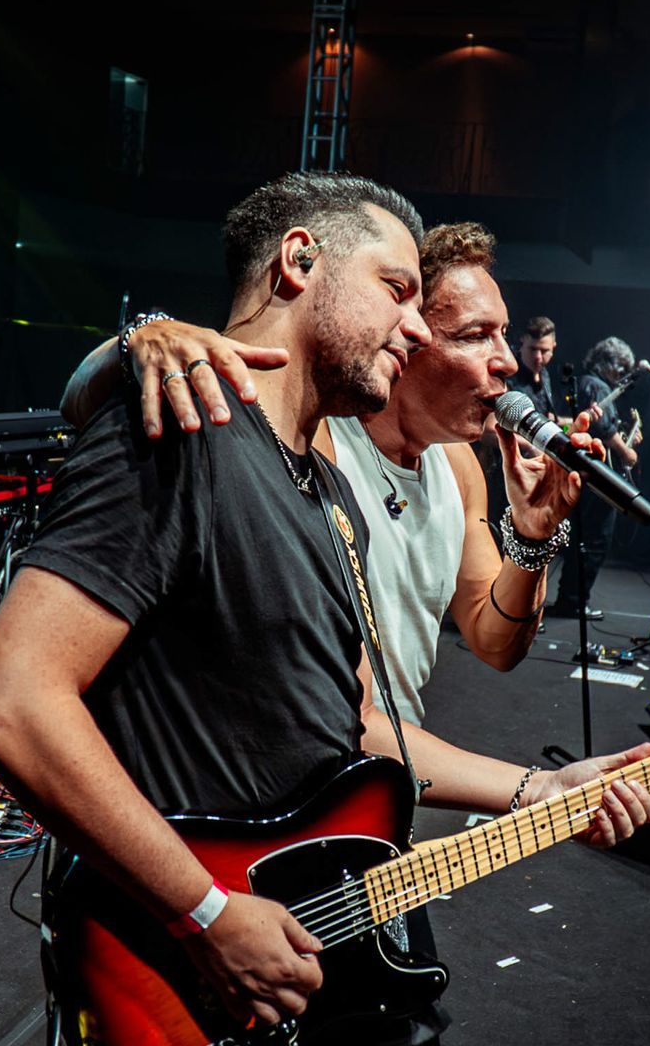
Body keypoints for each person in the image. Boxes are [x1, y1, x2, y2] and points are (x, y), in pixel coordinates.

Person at [0, 172, 650, 1046]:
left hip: (324, 943)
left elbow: (359, 727)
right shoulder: (188, 425)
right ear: (299, 262)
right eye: (398, 290)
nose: (414, 325)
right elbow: (9, 703)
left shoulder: (325, 491)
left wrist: (539, 789)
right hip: (202, 982)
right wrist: (206, 913)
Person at [61, 221, 604, 723]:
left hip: (392, 771)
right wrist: (140, 336)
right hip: (313, 757)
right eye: (475, 335)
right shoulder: (315, 437)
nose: (507, 360)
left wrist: (532, 536)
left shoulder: (458, 466)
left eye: (504, 333)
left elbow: (494, 641)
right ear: (409, 335)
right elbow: (78, 402)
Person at [552, 336, 640, 621]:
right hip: (595, 476)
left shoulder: (592, 384)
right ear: (607, 363)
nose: (622, 373)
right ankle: (574, 602)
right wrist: (626, 451)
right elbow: (603, 427)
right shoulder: (596, 385)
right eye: (620, 366)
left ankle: (573, 599)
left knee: (589, 539)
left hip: (591, 473)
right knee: (595, 539)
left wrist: (628, 438)